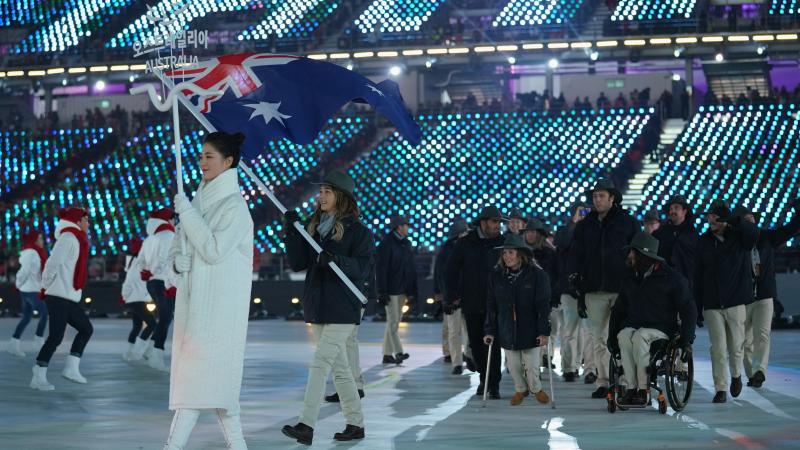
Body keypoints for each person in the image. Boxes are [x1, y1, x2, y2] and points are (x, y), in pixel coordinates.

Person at [161, 131, 254, 450]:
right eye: (200, 156)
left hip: (219, 316)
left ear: (228, 162)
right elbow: (178, 247)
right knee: (223, 399)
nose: (202, 162)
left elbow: (214, 250)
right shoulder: (197, 203)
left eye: (209, 156)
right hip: (196, 311)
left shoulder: (235, 208)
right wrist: (177, 264)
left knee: (193, 391)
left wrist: (186, 214)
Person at [281, 171, 373, 445]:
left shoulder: (359, 232)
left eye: (326, 192)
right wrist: (292, 232)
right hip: (319, 305)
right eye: (320, 192)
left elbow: (363, 268)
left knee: (320, 364)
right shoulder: (314, 228)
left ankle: (306, 424)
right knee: (341, 370)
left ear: (341, 197)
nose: (320, 196)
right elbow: (298, 263)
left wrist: (336, 260)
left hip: (344, 307)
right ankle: (355, 424)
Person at [567, 179, 639, 399]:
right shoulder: (585, 225)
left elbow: (638, 253)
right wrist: (577, 286)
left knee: (623, 337)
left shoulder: (627, 222)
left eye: (601, 196)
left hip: (621, 289)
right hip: (593, 290)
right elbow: (576, 256)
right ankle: (604, 381)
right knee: (598, 339)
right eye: (594, 196)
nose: (597, 200)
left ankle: (627, 381)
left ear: (612, 198)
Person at [608, 233, 696, 405]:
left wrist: (686, 341)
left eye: (632, 253)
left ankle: (643, 390)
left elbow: (688, 309)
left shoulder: (672, 279)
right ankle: (631, 388)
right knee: (624, 336)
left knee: (640, 336)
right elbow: (618, 310)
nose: (629, 256)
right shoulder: (630, 278)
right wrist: (611, 337)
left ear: (643, 256)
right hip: (634, 327)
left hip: (662, 329)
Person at [695, 199, 758, 403]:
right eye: (709, 216)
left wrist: (735, 221)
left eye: (715, 216)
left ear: (724, 219)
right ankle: (720, 388)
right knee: (718, 347)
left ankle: (736, 375)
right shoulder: (703, 241)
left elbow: (753, 234)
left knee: (736, 346)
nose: (710, 219)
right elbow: (698, 275)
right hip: (712, 303)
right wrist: (697, 306)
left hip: (736, 300)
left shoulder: (739, 237)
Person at [734, 200, 800, 388]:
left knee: (762, 335)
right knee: (745, 341)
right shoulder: (735, 243)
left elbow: (789, 229)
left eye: (752, 217)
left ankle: (759, 372)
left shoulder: (767, 237)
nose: (750, 219)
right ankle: (752, 373)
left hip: (764, 294)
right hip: (743, 297)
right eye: (745, 219)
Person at [445, 205, 506, 399]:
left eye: (499, 222)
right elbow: (450, 270)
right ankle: (483, 378)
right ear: (483, 222)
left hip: (498, 303)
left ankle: (493, 383)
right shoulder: (465, 243)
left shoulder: (503, 243)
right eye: (494, 221)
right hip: (473, 301)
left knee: (494, 345)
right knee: (476, 345)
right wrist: (451, 295)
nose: (498, 226)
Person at [484, 233, 551, 406]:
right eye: (505, 253)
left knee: (532, 367)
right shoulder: (496, 275)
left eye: (511, 253)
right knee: (513, 367)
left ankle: (536, 389)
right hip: (507, 328)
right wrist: (489, 330)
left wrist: (544, 331)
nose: (507, 256)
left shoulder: (537, 275)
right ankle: (521, 389)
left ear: (521, 254)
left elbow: (543, 305)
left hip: (530, 327)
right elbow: (491, 305)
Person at [30, 207, 93, 391]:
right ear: (77, 221)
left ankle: (71, 368)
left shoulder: (77, 239)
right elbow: (51, 264)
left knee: (86, 329)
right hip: (58, 296)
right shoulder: (68, 238)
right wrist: (46, 286)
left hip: (68, 297)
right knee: (56, 336)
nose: (88, 224)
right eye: (86, 220)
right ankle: (38, 374)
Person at [554, 202, 592, 383]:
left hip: (589, 288)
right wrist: (576, 223)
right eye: (579, 212)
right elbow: (562, 243)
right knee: (569, 331)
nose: (584, 215)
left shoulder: (594, 231)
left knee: (588, 332)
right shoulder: (564, 231)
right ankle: (569, 368)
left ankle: (588, 368)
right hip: (568, 289)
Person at [137, 207, 176, 372]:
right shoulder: (169, 236)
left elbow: (140, 261)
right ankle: (156, 354)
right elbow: (166, 260)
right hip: (164, 282)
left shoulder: (150, 238)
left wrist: (146, 271)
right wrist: (169, 281)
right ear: (168, 220)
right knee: (166, 317)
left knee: (164, 317)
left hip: (152, 282)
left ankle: (151, 350)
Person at [376, 215, 418, 364]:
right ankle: (399, 352)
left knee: (393, 322)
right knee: (393, 323)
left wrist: (412, 291)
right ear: (399, 227)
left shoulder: (406, 244)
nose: (408, 228)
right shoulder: (386, 245)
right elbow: (381, 270)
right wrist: (382, 292)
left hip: (402, 291)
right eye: (406, 225)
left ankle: (387, 354)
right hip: (391, 291)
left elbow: (410, 269)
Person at [434, 218, 470, 374]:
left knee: (468, 330)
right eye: (465, 232)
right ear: (458, 234)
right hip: (452, 297)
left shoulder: (469, 249)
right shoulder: (446, 252)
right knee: (454, 330)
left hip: (467, 297)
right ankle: (457, 362)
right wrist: (443, 295)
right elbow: (440, 275)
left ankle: (468, 356)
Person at [522, 218, 559, 369]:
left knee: (551, 328)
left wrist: (553, 295)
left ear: (539, 234)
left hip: (548, 297)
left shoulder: (550, 253)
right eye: (528, 232)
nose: (530, 234)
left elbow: (556, 276)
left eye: (533, 232)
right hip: (525, 298)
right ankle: (532, 363)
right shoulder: (519, 254)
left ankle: (546, 356)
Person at [8, 230, 48, 357]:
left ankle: (13, 343)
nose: (43, 241)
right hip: (29, 290)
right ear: (35, 240)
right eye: (40, 238)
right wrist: (17, 285)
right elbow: (23, 271)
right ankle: (38, 340)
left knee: (26, 318)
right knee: (45, 312)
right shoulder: (32, 253)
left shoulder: (36, 253)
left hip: (30, 289)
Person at [120, 238, 157, 361]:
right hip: (136, 300)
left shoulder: (135, 262)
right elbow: (129, 282)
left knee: (137, 326)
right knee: (152, 324)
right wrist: (125, 296)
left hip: (135, 299)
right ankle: (137, 351)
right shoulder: (137, 264)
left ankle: (129, 352)